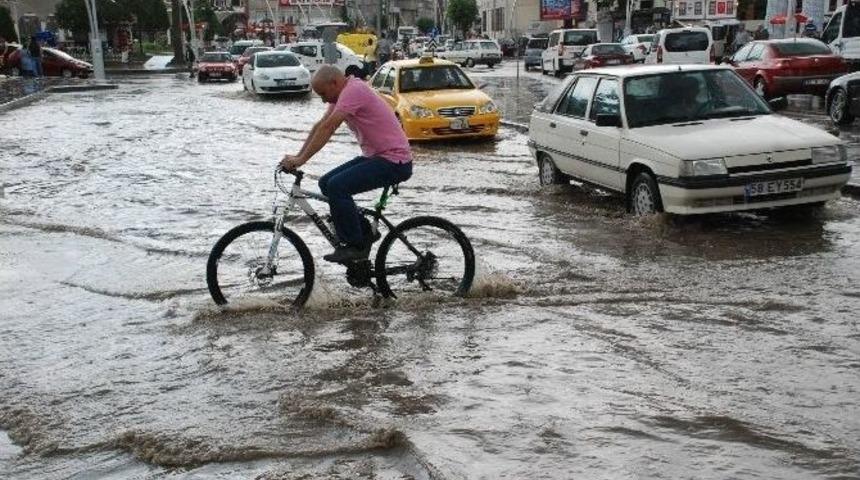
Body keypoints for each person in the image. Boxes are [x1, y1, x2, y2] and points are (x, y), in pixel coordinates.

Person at [280, 65, 413, 264]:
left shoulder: (354, 91)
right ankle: (365, 232)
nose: (324, 100)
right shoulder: (344, 91)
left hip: (394, 161)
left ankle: (355, 245)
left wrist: (301, 160)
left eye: (324, 94)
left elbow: (329, 127)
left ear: (334, 83)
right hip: (376, 156)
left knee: (337, 186)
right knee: (325, 183)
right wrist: (297, 156)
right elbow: (320, 124)